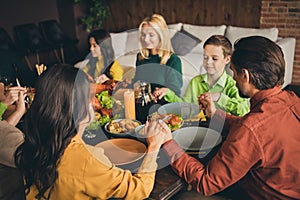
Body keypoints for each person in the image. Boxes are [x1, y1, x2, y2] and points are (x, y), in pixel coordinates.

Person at [155, 36, 300, 199]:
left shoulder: (251, 128)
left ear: (245, 75)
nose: (233, 78)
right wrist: (214, 114)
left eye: (233, 71)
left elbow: (206, 183)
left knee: (182, 196)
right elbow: (257, 133)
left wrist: (168, 142)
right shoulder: (292, 99)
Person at [14, 64, 168, 200]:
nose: (94, 104)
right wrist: (153, 146)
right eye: (90, 98)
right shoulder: (86, 160)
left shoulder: (33, 142)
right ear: (79, 107)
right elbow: (138, 190)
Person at [153, 35, 249, 116]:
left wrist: (220, 97)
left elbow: (243, 110)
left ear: (227, 60)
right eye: (205, 57)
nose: (208, 62)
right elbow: (185, 108)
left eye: (214, 58)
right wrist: (168, 92)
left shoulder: (233, 85)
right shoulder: (195, 81)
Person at [133, 14, 183, 97]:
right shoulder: (141, 57)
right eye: (143, 34)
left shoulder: (173, 61)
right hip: (142, 104)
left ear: (161, 36)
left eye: (151, 35)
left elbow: (175, 91)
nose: (145, 39)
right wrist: (130, 84)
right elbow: (137, 82)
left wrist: (166, 91)